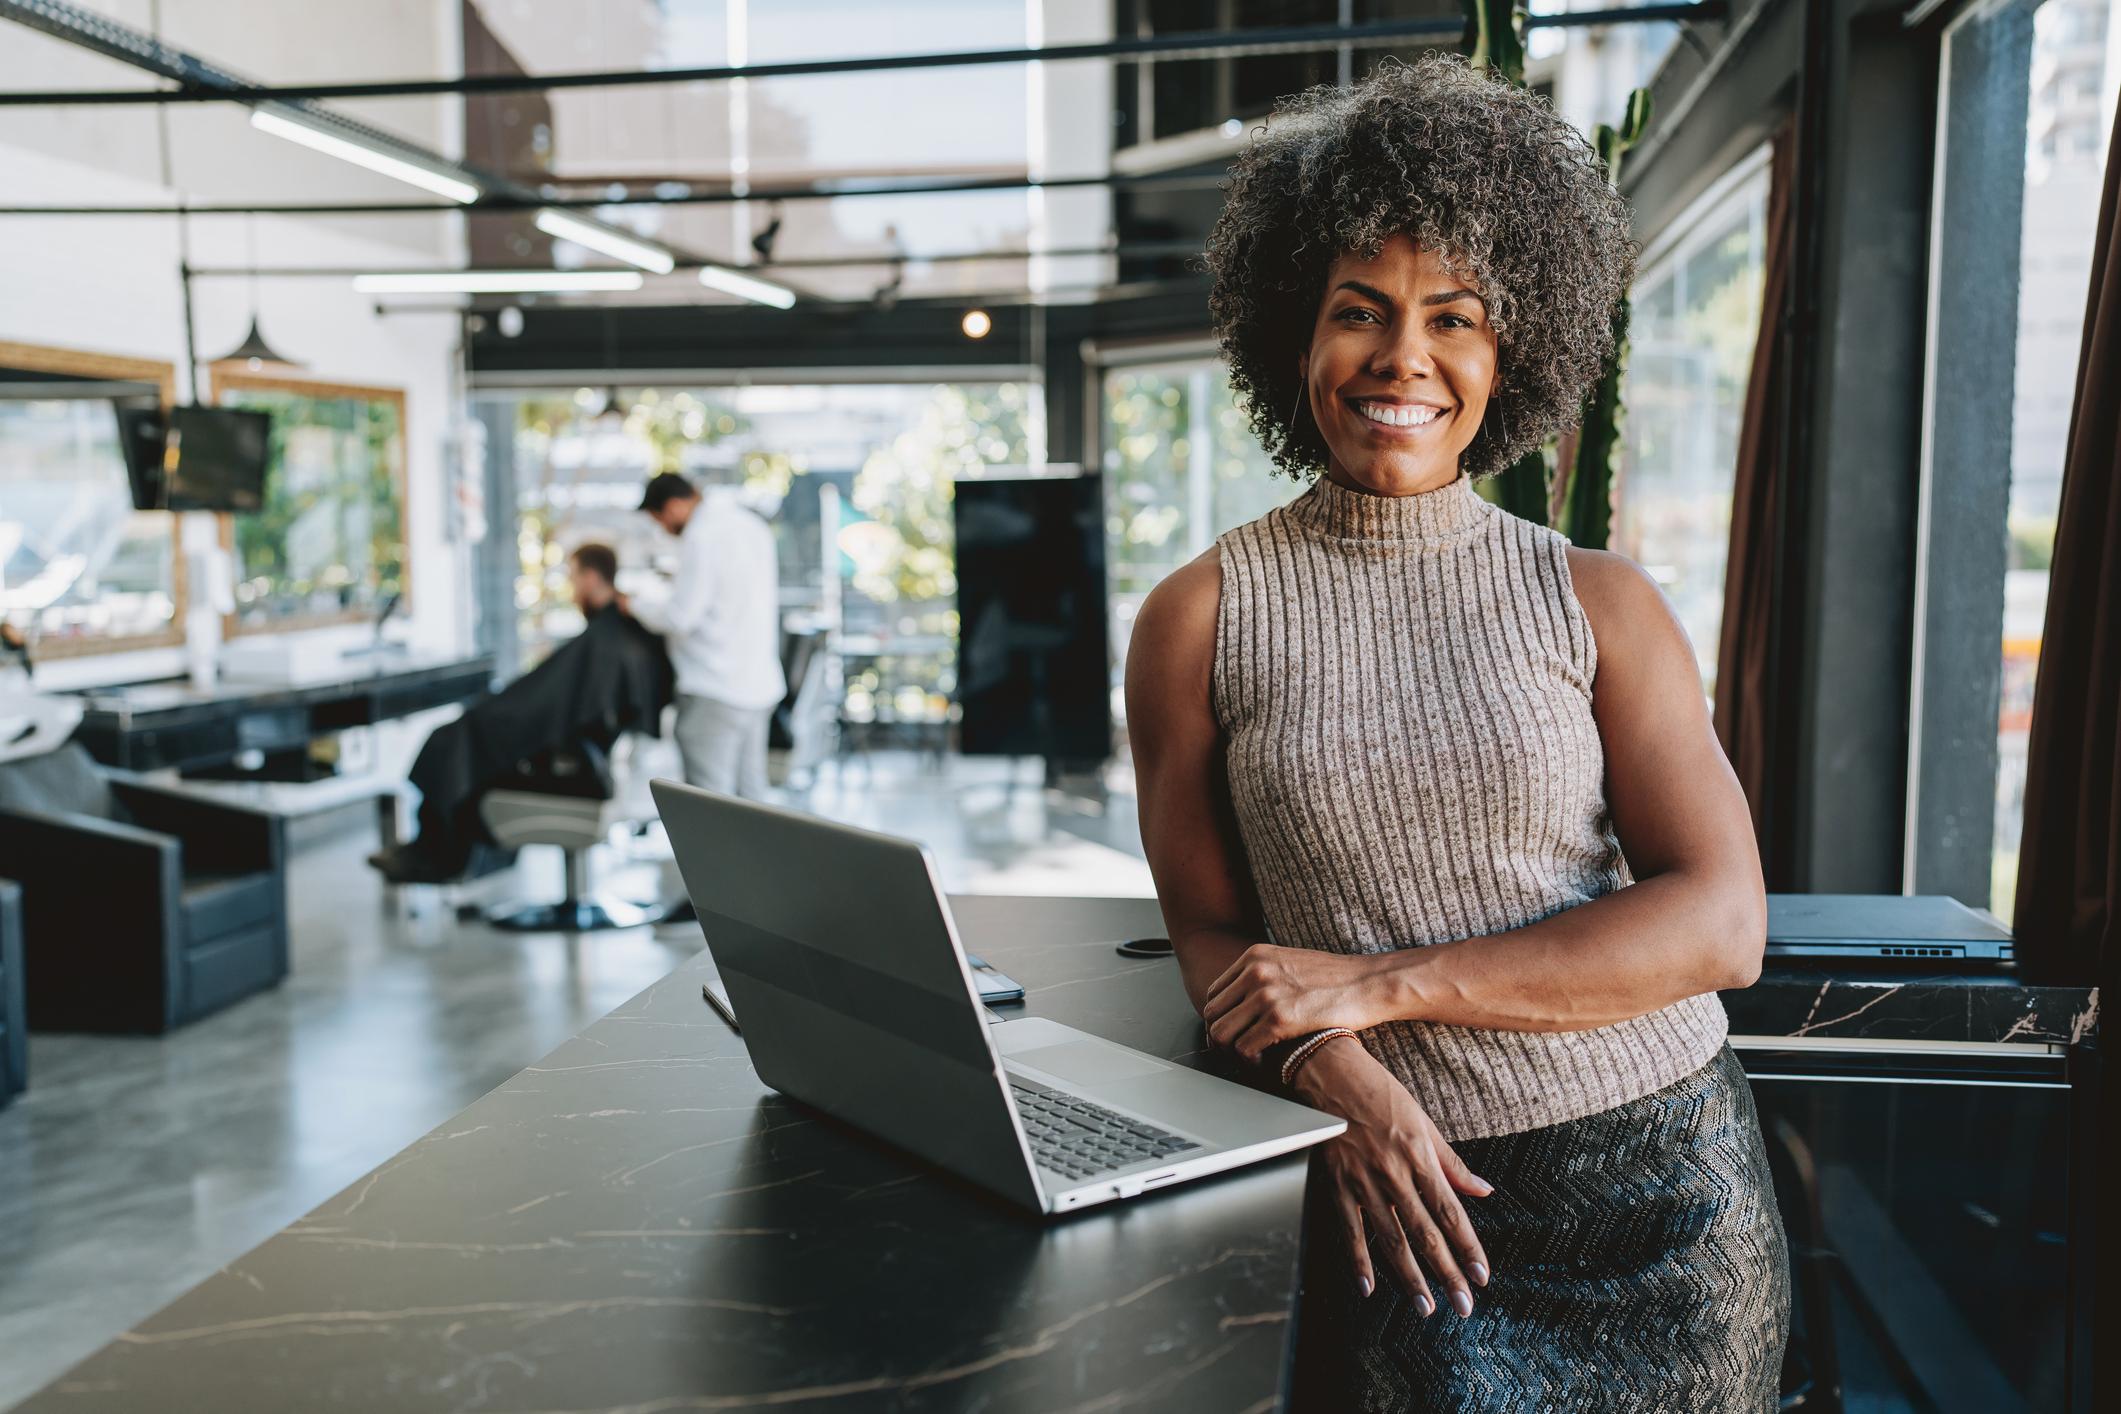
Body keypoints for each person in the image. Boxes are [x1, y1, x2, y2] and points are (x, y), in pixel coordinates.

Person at [1124, 55, 1789, 1411]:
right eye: (1358, 311)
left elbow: (1722, 924)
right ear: (1291, 335)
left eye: (1455, 320)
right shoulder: (1196, 617)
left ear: (1512, 350)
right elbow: (1208, 927)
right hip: (1397, 1189)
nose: (1402, 360)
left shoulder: (1597, 601)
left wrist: (1374, 990)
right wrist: (1330, 1073)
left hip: (1664, 1192)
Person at [368, 543, 673, 883]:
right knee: (463, 739)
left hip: (572, 761)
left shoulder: (605, 638)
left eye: (572, 578)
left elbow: (549, 702)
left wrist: (492, 711)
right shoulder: (621, 631)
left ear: (589, 577)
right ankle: (437, 851)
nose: (571, 590)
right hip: (589, 753)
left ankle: (438, 855)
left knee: (454, 740)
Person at [630, 472, 786, 800]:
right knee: (751, 801)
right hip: (757, 686)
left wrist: (634, 604)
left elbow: (680, 617)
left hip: (715, 688)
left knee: (711, 809)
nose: (663, 529)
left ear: (673, 506)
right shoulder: (750, 525)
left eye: (660, 520)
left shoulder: (702, 536)